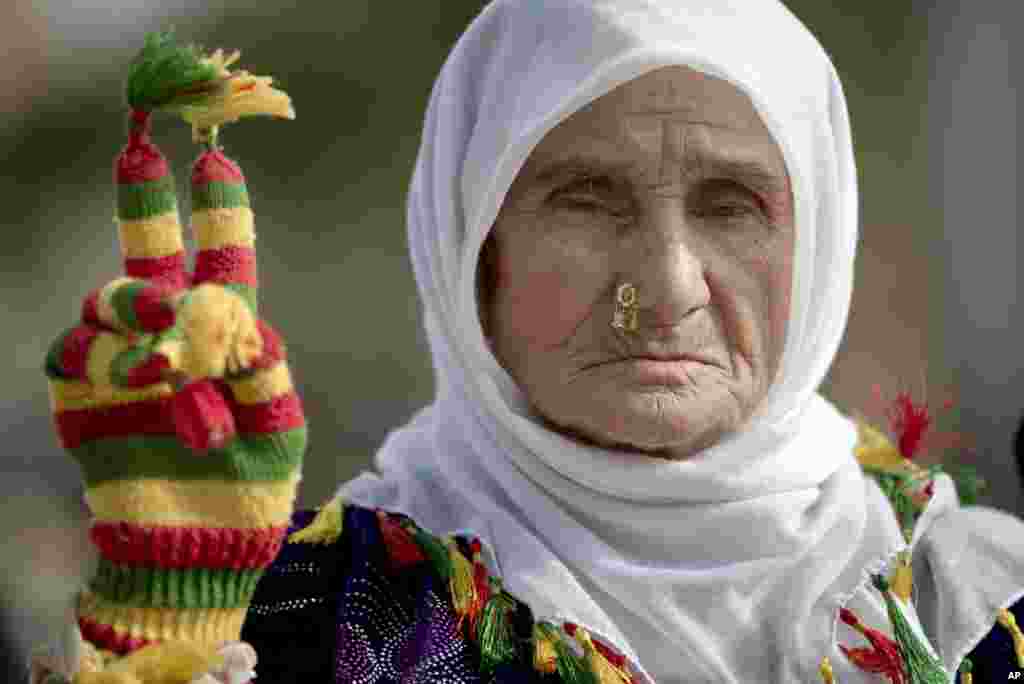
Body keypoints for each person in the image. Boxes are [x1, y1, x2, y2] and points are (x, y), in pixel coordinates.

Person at [34, 1, 1024, 683]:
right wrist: (166, 629)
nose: (667, 289)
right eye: (587, 200)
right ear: (476, 250)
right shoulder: (306, 618)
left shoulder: (977, 603)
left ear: (819, 245)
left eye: (733, 206)